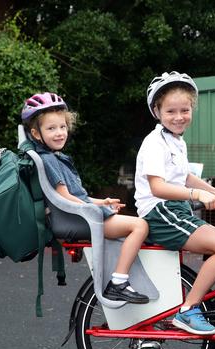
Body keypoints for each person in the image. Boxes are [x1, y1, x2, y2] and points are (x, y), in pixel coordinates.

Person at [21, 92, 150, 304]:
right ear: (36, 134)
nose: (59, 133)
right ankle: (119, 282)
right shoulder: (50, 160)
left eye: (62, 127)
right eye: (51, 128)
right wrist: (96, 211)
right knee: (140, 226)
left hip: (79, 216)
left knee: (135, 227)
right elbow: (65, 198)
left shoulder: (55, 157)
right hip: (79, 219)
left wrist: (103, 202)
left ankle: (122, 275)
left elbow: (75, 196)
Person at [135, 71, 215, 335]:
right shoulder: (154, 143)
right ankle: (189, 309)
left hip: (174, 210)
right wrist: (198, 196)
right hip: (160, 212)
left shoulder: (175, 141)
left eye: (185, 110)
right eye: (171, 111)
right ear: (156, 111)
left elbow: (186, 176)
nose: (179, 117)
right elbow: (157, 187)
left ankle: (189, 306)